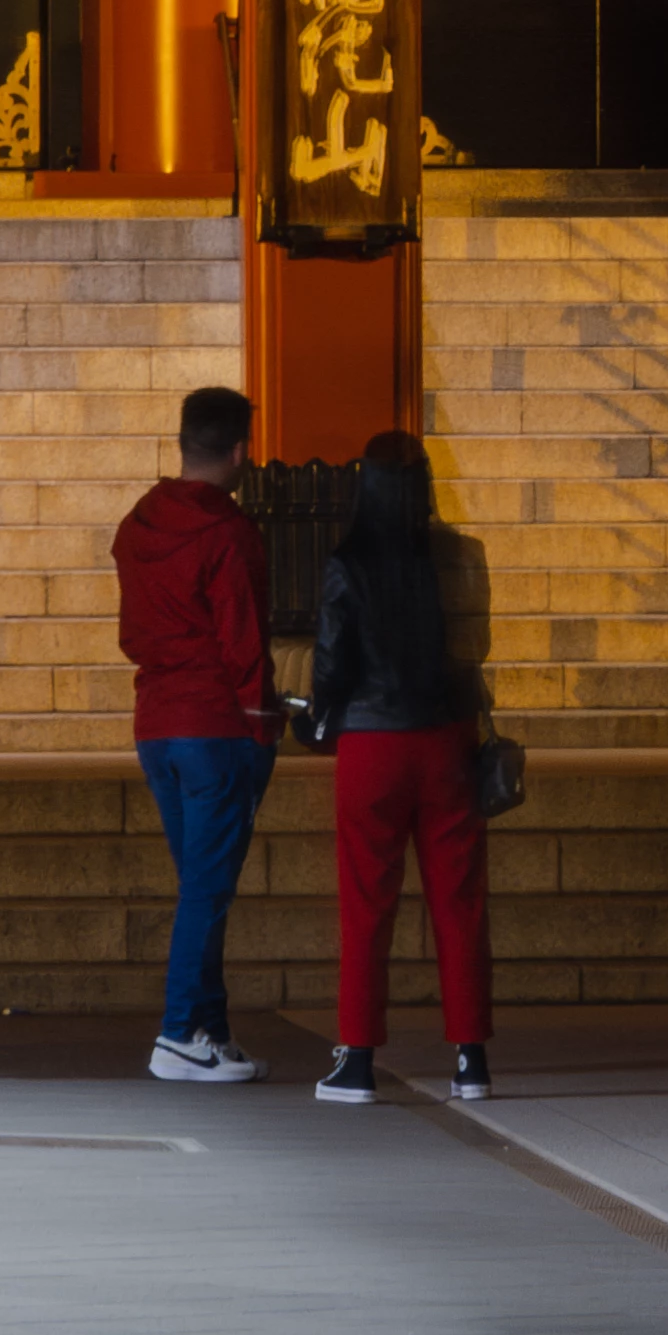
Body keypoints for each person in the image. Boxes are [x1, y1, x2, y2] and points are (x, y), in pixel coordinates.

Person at [310, 428, 495, 1105]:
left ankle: (357, 1060)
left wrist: (318, 715)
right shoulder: (459, 556)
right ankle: (470, 1060)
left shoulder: (346, 562)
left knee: (366, 903)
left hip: (371, 745)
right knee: (460, 901)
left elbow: (331, 665)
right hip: (447, 737)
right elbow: (479, 640)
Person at [112, 385, 275, 1084]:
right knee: (208, 889)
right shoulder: (229, 535)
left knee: (199, 882)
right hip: (215, 725)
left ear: (184, 443)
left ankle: (211, 1029)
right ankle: (179, 1033)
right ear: (239, 450)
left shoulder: (137, 524)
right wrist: (265, 725)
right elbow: (244, 642)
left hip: (156, 723)